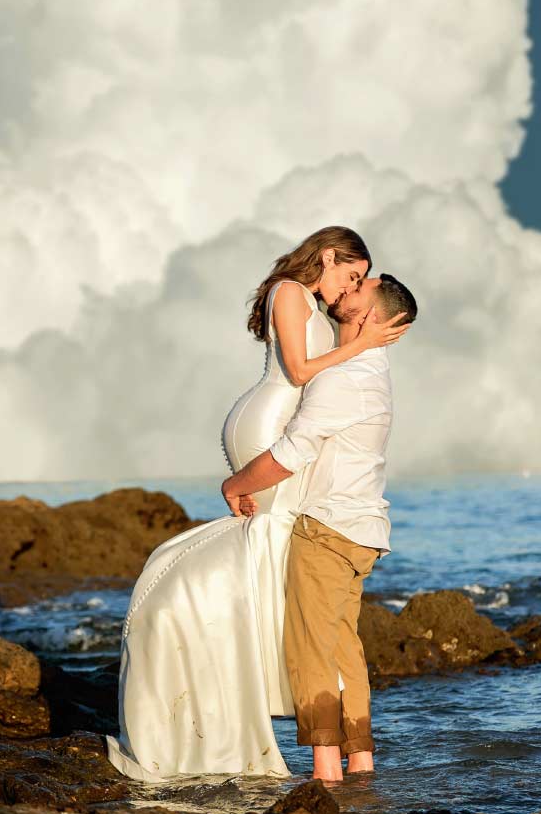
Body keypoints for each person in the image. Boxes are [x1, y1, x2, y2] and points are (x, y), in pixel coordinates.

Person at [103, 226, 410, 780]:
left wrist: (358, 343)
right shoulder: (297, 295)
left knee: (302, 611)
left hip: (301, 470)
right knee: (304, 604)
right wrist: (359, 343)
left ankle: (317, 754)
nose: (350, 287)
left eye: (359, 285)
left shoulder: (346, 355)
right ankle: (335, 748)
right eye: (352, 274)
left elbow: (305, 393)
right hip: (297, 452)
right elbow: (296, 373)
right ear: (328, 256)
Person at [221, 273, 418, 781]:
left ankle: (326, 771)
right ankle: (362, 760)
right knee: (343, 647)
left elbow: (293, 451)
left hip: (329, 528)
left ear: (370, 316)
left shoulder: (345, 377)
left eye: (356, 290)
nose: (342, 294)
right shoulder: (372, 370)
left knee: (310, 647)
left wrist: (236, 483)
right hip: (363, 529)